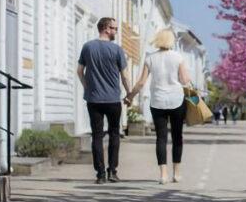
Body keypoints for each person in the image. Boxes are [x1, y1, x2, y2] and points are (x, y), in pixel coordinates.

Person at [125, 29, 192, 184]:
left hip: (158, 102)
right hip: (177, 101)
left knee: (161, 138)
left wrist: (130, 96)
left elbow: (141, 82)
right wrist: (185, 76)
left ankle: (163, 174)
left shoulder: (150, 58)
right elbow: (184, 80)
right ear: (171, 40)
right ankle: (176, 173)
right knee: (177, 137)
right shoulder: (178, 57)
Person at [77, 17, 132, 184]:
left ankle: (100, 174)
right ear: (106, 28)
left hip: (94, 99)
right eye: (114, 28)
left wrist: (87, 88)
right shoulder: (116, 50)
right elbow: (124, 76)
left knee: (97, 136)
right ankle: (112, 172)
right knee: (115, 134)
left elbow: (80, 71)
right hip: (113, 99)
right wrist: (129, 94)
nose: (116, 31)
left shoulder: (87, 47)